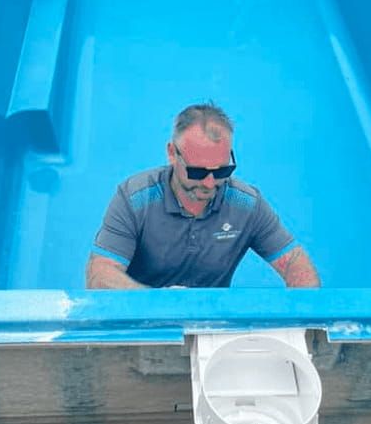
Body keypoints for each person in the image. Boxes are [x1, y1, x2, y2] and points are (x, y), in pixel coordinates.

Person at [86, 103, 320, 289]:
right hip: (144, 324)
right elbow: (100, 274)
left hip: (212, 326)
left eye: (222, 171)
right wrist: (158, 305)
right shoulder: (135, 199)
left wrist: (303, 327)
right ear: (172, 153)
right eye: (197, 171)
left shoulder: (246, 205)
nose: (210, 183)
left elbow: (295, 265)